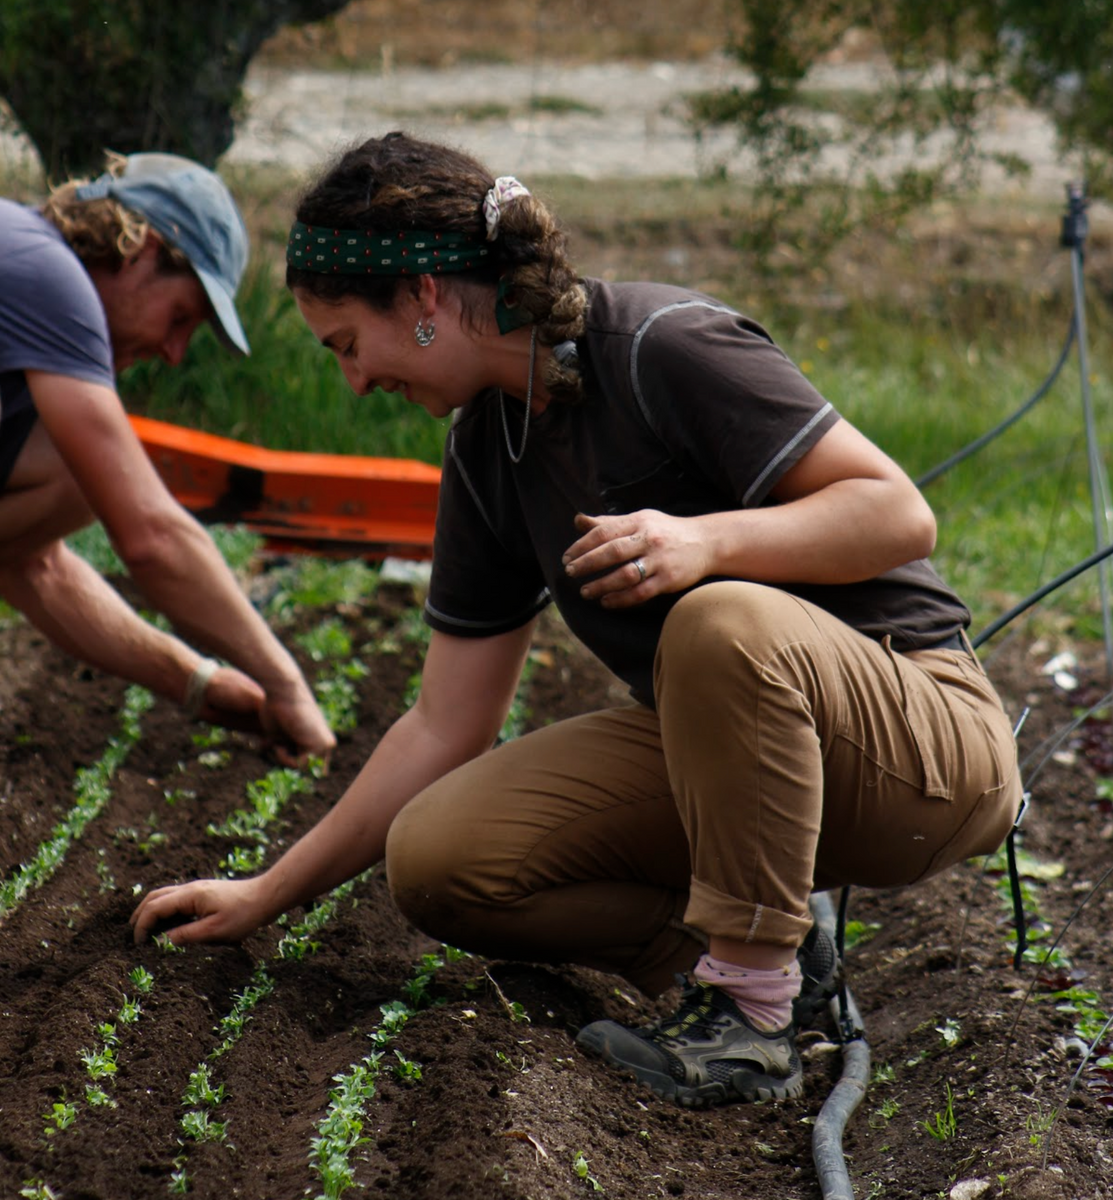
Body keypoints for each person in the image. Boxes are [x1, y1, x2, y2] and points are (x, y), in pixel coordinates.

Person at [131, 132, 1022, 1108]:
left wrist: (707, 544)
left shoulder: (660, 348)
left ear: (424, 298)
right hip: (739, 762)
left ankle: (752, 1020)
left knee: (718, 622)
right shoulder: (489, 449)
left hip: (922, 745)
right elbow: (445, 723)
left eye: (347, 344)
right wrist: (267, 893)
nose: (351, 381)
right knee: (439, 861)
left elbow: (900, 513)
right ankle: (733, 957)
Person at [0, 153, 334, 765]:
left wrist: (197, 682)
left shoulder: (24, 300)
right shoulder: (42, 271)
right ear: (141, 250)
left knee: (75, 479)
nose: (172, 351)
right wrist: (286, 682)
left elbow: (37, 568)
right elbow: (152, 538)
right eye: (181, 318)